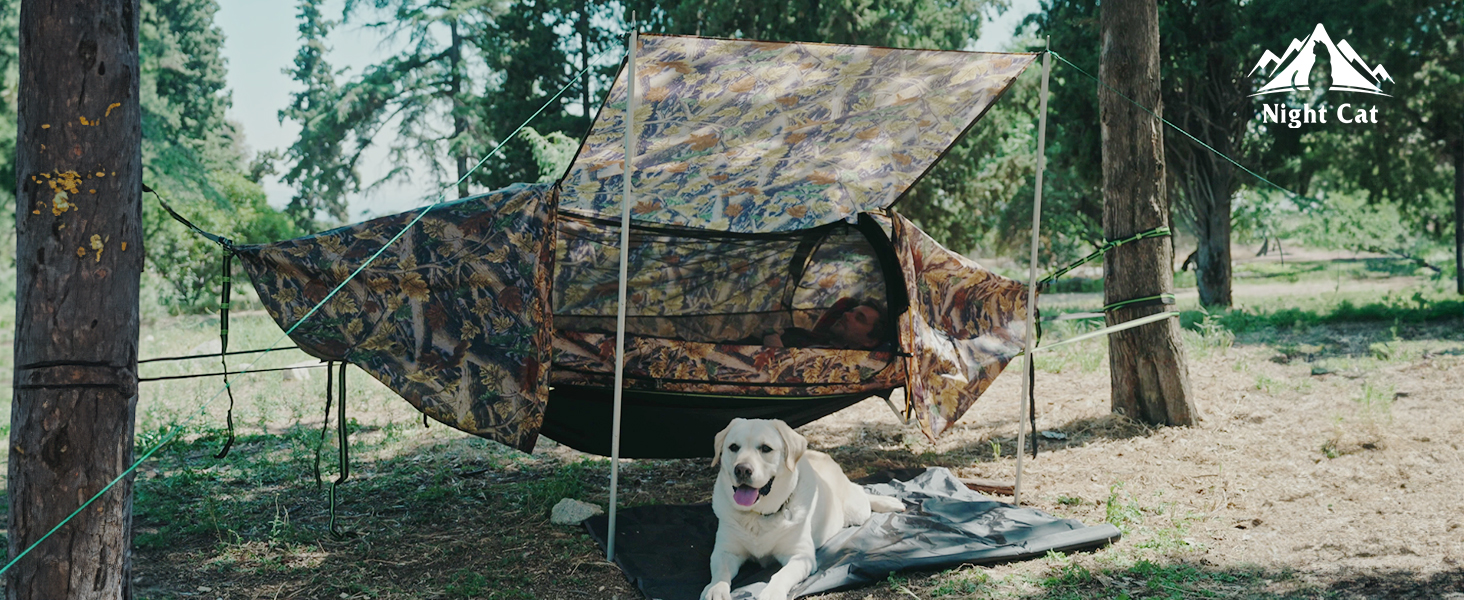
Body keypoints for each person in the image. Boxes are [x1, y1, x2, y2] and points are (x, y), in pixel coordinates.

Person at [761, 297, 888, 350]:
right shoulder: (811, 337)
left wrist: (771, 336)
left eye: (860, 318)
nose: (846, 314)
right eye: (850, 311)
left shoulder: (843, 365)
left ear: (870, 341)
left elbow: (784, 373)